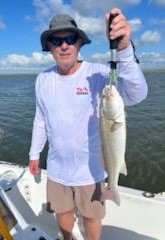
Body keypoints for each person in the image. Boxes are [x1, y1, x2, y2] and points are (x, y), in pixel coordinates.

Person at [28, 8, 148, 240]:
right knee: (61, 213)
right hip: (56, 169)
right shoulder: (43, 79)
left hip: (91, 171)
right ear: (49, 47)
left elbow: (137, 94)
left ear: (79, 43)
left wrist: (123, 49)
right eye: (57, 40)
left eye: (70, 39)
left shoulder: (99, 75)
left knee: (92, 217)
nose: (64, 45)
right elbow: (40, 119)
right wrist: (34, 154)